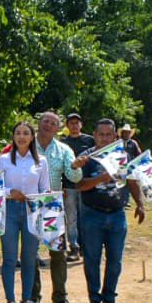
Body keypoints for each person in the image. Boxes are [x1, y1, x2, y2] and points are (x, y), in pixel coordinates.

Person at [77, 119, 147, 303]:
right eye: (101, 134)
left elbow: (132, 182)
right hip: (92, 214)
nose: (104, 138)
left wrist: (140, 204)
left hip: (117, 215)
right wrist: (101, 179)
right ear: (94, 135)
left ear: (115, 136)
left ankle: (109, 298)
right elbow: (79, 185)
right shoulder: (86, 157)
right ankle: (94, 299)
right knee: (92, 259)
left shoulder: (123, 156)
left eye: (109, 135)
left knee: (115, 259)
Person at [30, 111, 85, 303]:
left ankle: (60, 298)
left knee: (58, 254)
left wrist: (77, 167)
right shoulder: (26, 144)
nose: (48, 125)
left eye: (53, 123)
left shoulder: (63, 150)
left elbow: (74, 176)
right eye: (45, 121)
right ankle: (33, 298)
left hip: (53, 207)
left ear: (57, 128)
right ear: (38, 123)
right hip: (30, 206)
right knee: (31, 255)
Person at [0, 122, 49, 303]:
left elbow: (45, 187)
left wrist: (45, 196)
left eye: (26, 133)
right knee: (10, 258)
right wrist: (10, 191)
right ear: (13, 137)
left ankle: (27, 301)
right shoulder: (3, 160)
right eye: (17, 133)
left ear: (32, 137)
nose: (21, 136)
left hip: (32, 211)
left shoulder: (41, 161)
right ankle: (10, 302)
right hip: (9, 210)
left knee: (29, 257)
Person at [62, 112, 96, 261]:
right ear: (67, 126)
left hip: (86, 184)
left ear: (81, 124)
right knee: (71, 218)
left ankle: (86, 246)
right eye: (71, 123)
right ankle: (73, 247)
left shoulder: (90, 140)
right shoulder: (63, 143)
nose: (74, 126)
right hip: (69, 185)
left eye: (77, 123)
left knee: (86, 216)